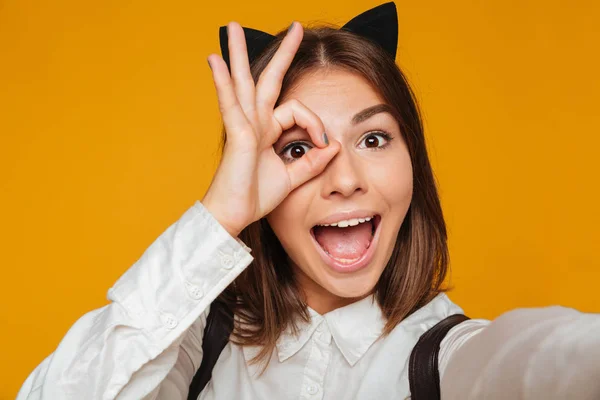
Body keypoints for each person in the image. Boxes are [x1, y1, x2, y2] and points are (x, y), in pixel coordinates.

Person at [16, 3, 600, 399]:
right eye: (298, 149)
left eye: (373, 139)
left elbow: (541, 357)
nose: (344, 179)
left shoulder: (442, 360)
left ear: (413, 165)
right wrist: (219, 217)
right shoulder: (195, 349)